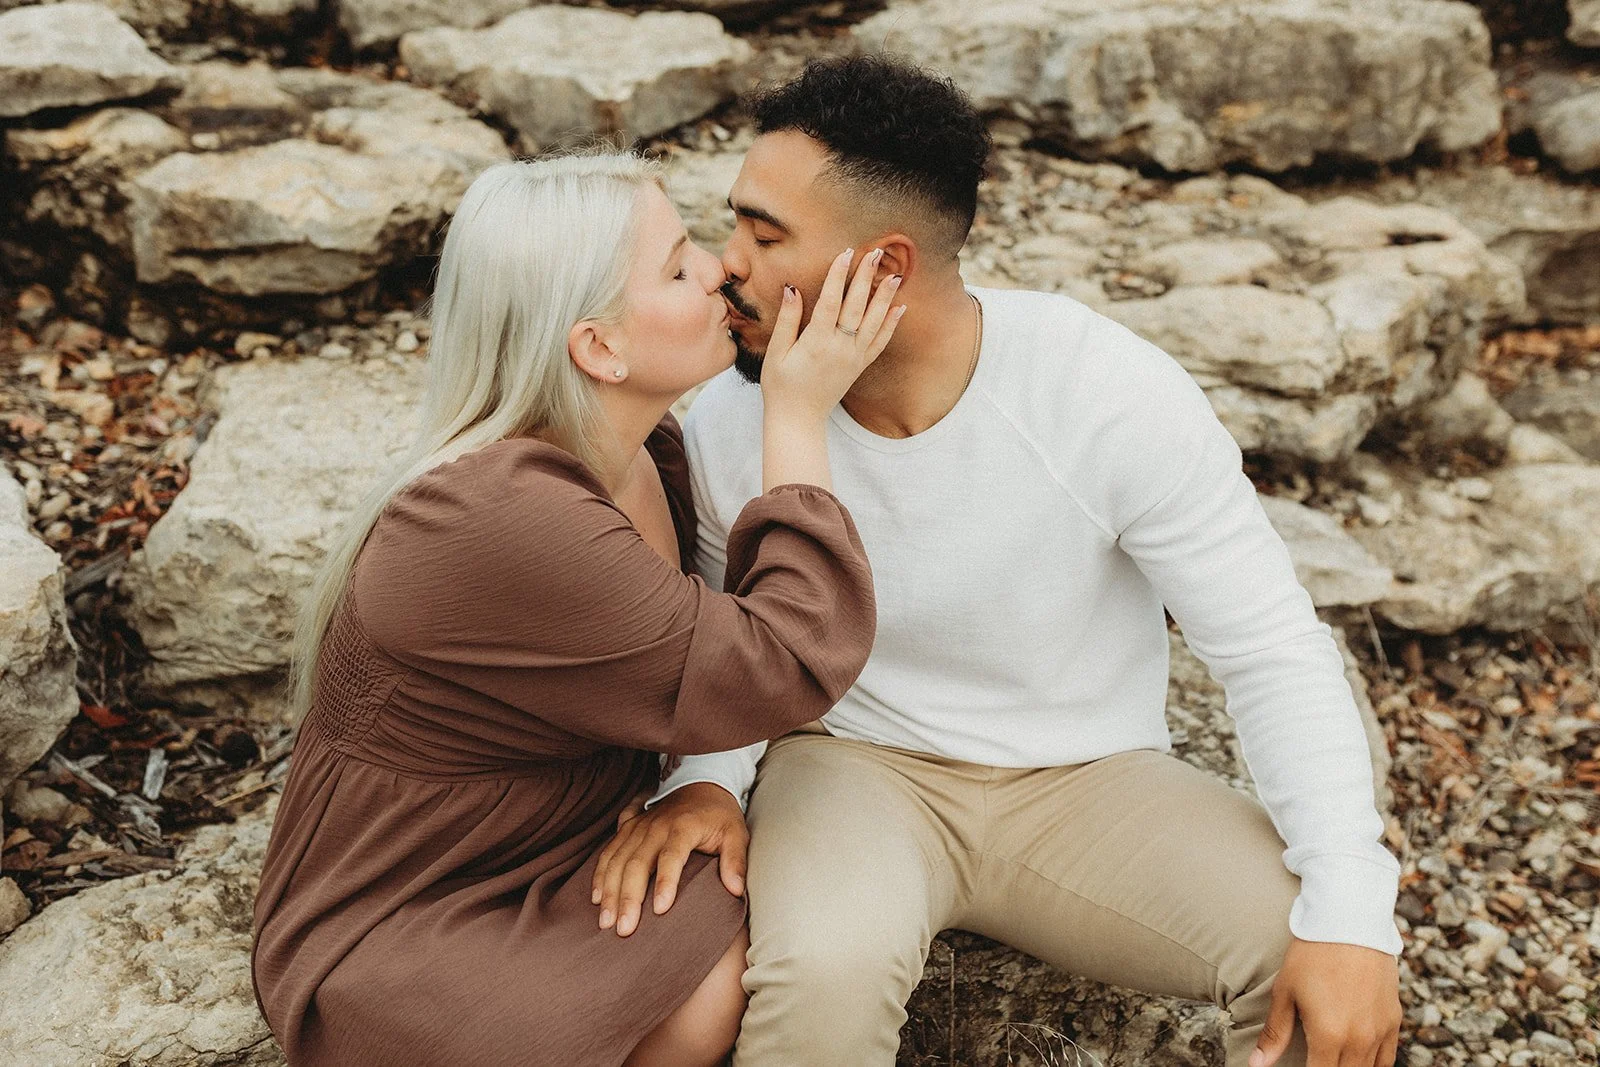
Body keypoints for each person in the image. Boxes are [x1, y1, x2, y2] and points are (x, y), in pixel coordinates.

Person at [592, 55, 1406, 1067]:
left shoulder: (1101, 390)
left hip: (1087, 782)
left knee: (1324, 952)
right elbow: (735, 635)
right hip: (852, 771)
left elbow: (1270, 646)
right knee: (819, 983)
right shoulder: (725, 420)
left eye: (764, 236)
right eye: (734, 227)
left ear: (885, 268)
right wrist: (707, 781)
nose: (726, 265)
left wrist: (1351, 901)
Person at [249, 150, 905, 1066]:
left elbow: (695, 672)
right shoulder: (499, 516)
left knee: (731, 933)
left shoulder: (643, 454)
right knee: (720, 970)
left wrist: (704, 786)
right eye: (678, 267)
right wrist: (795, 412)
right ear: (598, 345)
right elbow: (785, 661)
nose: (720, 267)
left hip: (565, 845)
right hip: (408, 912)